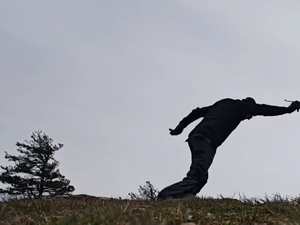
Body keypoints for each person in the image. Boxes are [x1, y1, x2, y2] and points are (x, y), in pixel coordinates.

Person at [157, 97, 300, 201]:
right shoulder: (243, 106)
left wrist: (181, 126)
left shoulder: (222, 103)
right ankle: (165, 196)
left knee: (202, 177)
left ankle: (180, 200)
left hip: (197, 137)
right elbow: (265, 110)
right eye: (250, 116)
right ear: (249, 108)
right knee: (196, 176)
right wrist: (288, 110)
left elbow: (197, 112)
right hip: (205, 140)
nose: (248, 118)